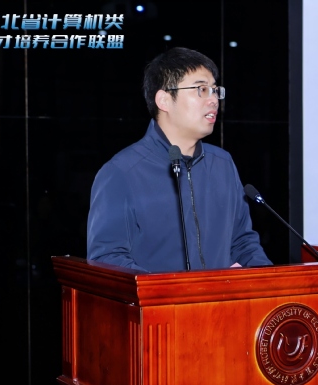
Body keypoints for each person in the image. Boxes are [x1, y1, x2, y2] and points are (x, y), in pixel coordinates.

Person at [86, 47, 272, 273]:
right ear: (164, 100)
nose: (213, 100)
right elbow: (107, 257)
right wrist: (164, 290)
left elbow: (243, 243)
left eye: (215, 90)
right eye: (201, 89)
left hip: (220, 297)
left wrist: (269, 281)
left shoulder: (222, 164)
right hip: (158, 297)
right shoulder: (122, 172)